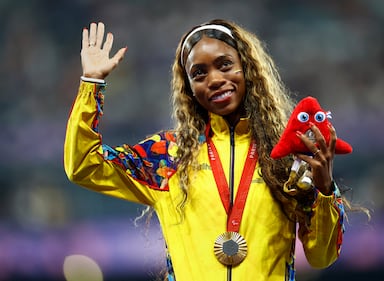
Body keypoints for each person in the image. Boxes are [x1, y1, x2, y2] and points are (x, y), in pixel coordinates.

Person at [64, 19, 346, 281]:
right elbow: (83, 165)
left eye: (224, 65)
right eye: (199, 73)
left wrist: (324, 189)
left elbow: (322, 256)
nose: (214, 79)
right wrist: (92, 83)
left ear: (247, 68)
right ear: (189, 88)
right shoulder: (168, 156)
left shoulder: (286, 155)